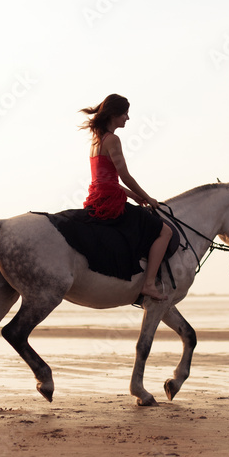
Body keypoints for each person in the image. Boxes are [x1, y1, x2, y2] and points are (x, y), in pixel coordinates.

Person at [79, 94, 172, 301]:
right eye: (125, 114)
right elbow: (124, 176)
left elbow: (106, 180)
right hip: (110, 201)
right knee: (165, 231)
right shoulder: (113, 140)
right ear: (114, 114)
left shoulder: (96, 141)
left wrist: (133, 196)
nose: (128, 118)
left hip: (98, 197)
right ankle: (149, 284)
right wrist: (148, 197)